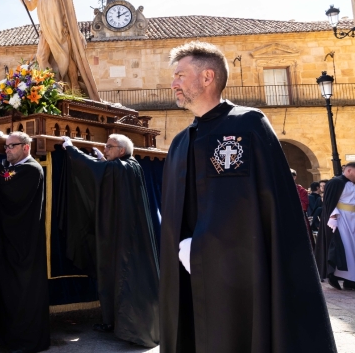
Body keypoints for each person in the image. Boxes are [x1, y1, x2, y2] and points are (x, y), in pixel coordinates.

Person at [161, 41, 335, 353]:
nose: (173, 83)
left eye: (181, 75)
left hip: (242, 277)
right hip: (186, 277)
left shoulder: (247, 125)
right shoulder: (178, 143)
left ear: (207, 77)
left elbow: (256, 207)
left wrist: (202, 247)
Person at [60, 134, 160, 348]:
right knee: (111, 274)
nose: (105, 149)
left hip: (124, 238)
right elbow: (107, 173)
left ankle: (129, 328)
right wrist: (103, 161)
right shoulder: (129, 167)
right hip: (121, 234)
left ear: (121, 151)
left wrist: (71, 149)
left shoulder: (122, 167)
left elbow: (98, 171)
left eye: (109, 146)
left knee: (122, 276)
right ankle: (111, 321)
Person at [0, 131, 50, 353]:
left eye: (12, 146)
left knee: (21, 294)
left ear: (26, 148)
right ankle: (6, 336)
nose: (7, 150)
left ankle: (25, 341)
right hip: (9, 241)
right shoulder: (15, 167)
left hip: (24, 244)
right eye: (6, 146)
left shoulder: (31, 168)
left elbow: (4, 182)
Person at [11, 0, 100, 100]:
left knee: (68, 57)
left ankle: (75, 88)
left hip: (61, 26)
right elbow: (30, 6)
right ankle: (52, 86)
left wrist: (73, 29)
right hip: (46, 29)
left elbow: (68, 2)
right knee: (41, 56)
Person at [315, 163, 355, 290]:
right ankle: (337, 276)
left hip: (353, 220)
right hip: (342, 221)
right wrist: (333, 220)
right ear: (349, 170)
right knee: (344, 249)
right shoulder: (335, 183)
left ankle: (351, 280)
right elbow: (329, 204)